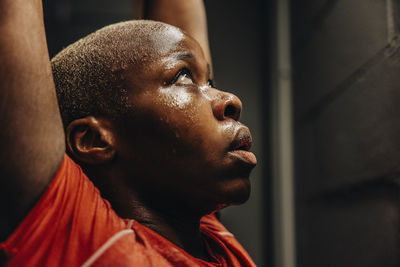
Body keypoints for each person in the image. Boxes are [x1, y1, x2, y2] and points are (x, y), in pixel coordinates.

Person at [0, 0, 257, 266]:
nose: (231, 100)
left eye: (209, 82)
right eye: (184, 77)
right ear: (94, 140)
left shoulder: (204, 233)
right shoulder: (83, 237)